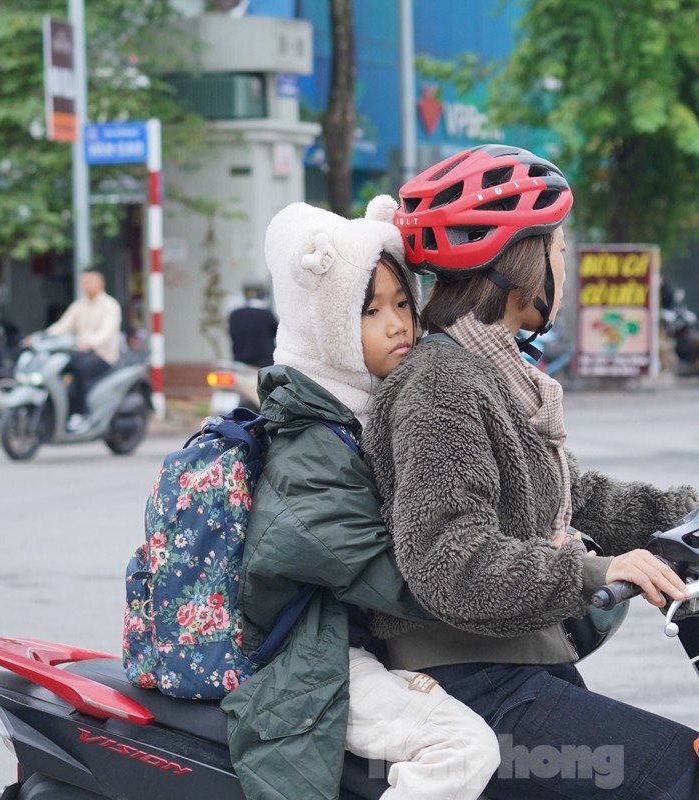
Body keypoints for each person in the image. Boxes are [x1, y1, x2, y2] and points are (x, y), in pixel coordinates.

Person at [361, 144, 699, 799]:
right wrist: (596, 571)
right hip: (472, 685)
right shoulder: (441, 383)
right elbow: (449, 559)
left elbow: (569, 496)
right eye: (556, 248)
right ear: (521, 263)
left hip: (517, 667)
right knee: (685, 778)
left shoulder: (491, 373)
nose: (563, 264)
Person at [220, 197, 500, 800]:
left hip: (358, 642)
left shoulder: (357, 418)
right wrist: (507, 584)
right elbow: (390, 574)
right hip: (319, 656)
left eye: (404, 303)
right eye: (371, 311)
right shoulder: (309, 444)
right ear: (329, 329)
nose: (399, 324)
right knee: (464, 747)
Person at [33, 270, 122, 432]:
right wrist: (41, 336)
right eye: (84, 282)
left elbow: (107, 331)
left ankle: (81, 414)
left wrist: (90, 343)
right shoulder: (80, 305)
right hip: (80, 353)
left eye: (89, 282)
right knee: (56, 368)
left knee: (79, 370)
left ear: (101, 284)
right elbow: (63, 326)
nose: (85, 285)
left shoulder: (110, 306)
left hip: (102, 355)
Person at [227, 283, 278, 368]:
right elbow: (277, 334)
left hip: (241, 362)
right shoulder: (266, 314)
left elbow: (232, 335)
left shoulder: (234, 315)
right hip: (265, 363)